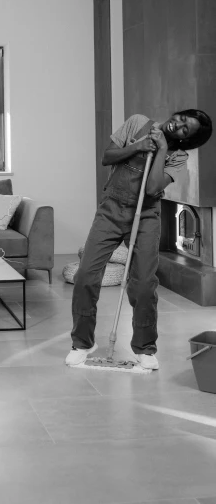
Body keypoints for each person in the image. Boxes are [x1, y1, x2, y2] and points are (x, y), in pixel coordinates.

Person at [66, 109, 212, 371]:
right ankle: (82, 342)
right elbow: (107, 157)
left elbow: (153, 187)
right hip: (111, 210)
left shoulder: (178, 157)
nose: (177, 125)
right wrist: (138, 146)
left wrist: (161, 148)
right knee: (86, 275)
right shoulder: (137, 123)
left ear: (186, 139)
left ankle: (144, 347)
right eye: (181, 118)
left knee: (144, 283)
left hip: (145, 216)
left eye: (184, 130)